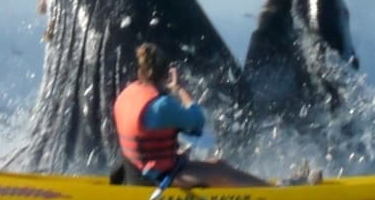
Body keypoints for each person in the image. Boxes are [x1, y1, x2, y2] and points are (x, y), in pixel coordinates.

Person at [113, 43, 269, 187]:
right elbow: (198, 120)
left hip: (134, 171)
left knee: (204, 161)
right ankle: (272, 193)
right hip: (155, 179)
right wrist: (179, 88)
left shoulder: (126, 94)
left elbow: (142, 135)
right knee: (220, 169)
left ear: (140, 71)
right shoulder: (162, 106)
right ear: (166, 74)